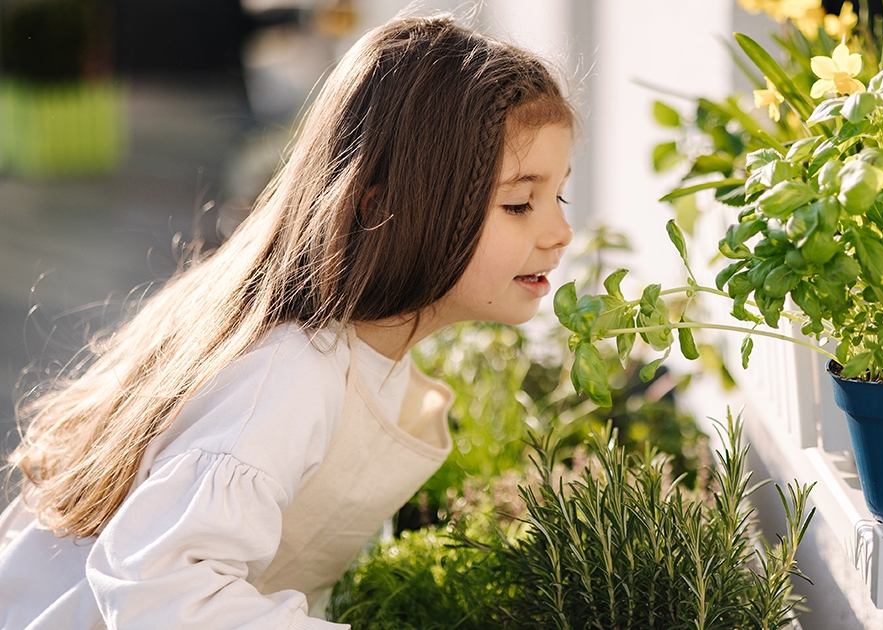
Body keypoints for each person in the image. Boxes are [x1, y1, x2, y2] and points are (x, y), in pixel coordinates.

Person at [0, 14, 575, 629]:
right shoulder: (291, 373)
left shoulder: (364, 355)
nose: (560, 233)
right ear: (387, 208)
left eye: (559, 196)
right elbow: (159, 587)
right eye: (519, 203)